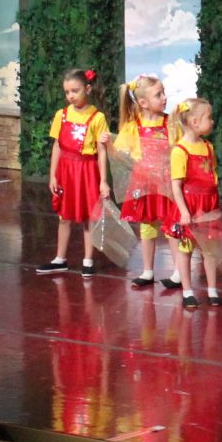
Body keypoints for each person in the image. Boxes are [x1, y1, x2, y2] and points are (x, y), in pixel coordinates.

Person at [38, 69, 111, 278]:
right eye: (67, 92)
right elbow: (57, 146)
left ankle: (88, 260)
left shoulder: (97, 117)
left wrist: (103, 181)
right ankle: (60, 259)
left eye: (75, 91)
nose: (70, 95)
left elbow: (101, 151)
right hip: (66, 171)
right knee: (64, 216)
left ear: (87, 89)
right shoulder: (61, 115)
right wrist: (53, 175)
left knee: (88, 216)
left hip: (86, 171)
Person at [113, 74, 172, 289]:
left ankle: (179, 273)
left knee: (172, 226)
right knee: (147, 226)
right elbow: (120, 153)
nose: (164, 97)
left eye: (164, 93)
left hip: (166, 184)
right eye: (158, 94)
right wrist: (107, 144)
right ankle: (148, 271)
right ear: (143, 102)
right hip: (144, 184)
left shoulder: (171, 123)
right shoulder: (133, 126)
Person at [164, 98, 222, 308]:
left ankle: (212, 290)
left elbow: (212, 175)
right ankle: (187, 290)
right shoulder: (180, 150)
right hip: (190, 205)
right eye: (209, 117)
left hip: (207, 204)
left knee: (209, 249)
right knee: (185, 248)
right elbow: (176, 185)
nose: (212, 121)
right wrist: (184, 211)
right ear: (195, 122)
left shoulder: (208, 147)